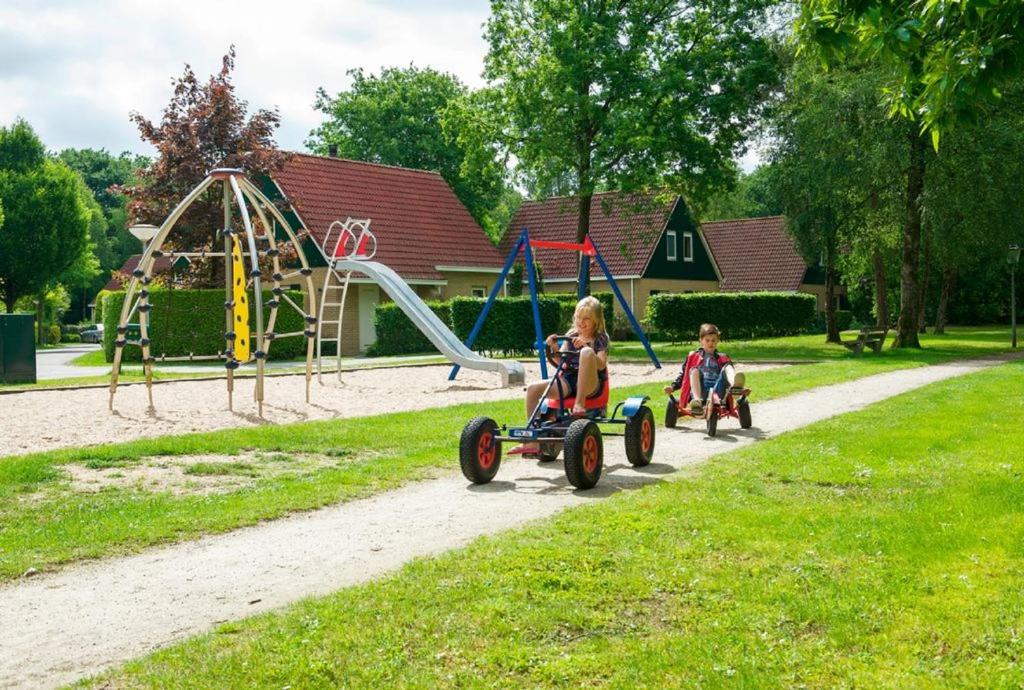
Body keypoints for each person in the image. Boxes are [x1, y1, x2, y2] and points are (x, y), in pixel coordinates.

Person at [508, 295, 610, 456]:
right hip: (569, 381)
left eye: (586, 319)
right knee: (533, 389)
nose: (581, 322)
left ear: (596, 321)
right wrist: (554, 348)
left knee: (586, 352)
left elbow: (602, 364)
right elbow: (560, 361)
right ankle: (533, 441)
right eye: (578, 317)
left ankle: (579, 404)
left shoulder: (600, 338)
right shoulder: (571, 334)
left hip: (592, 383)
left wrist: (586, 347)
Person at [663, 323, 745, 413]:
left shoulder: (723, 358)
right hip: (700, 391)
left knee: (728, 367)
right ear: (701, 341)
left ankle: (735, 388)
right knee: (694, 370)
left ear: (718, 341)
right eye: (707, 340)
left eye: (713, 340)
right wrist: (673, 387)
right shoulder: (693, 356)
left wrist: (742, 390)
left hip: (717, 390)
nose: (711, 343)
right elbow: (684, 375)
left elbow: (726, 377)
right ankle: (697, 402)